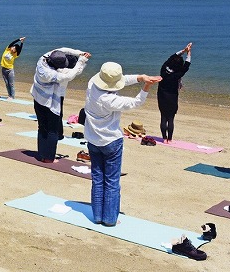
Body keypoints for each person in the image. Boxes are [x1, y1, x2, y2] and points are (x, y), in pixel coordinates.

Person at [84, 62, 161, 226]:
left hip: (92, 139)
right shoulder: (110, 100)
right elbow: (136, 102)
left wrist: (141, 78)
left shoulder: (92, 83)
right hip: (111, 141)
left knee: (98, 179)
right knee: (111, 181)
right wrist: (146, 86)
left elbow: (121, 80)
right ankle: (110, 219)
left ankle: (98, 217)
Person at [31, 48, 90, 162]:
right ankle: (48, 158)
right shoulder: (52, 74)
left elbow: (62, 49)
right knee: (52, 130)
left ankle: (42, 154)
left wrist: (79, 53)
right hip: (50, 103)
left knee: (42, 127)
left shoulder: (43, 59)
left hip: (38, 97)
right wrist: (81, 60)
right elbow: (71, 75)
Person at [157, 42, 193, 143]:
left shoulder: (163, 70)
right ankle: (170, 139)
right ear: (178, 66)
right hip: (172, 98)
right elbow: (186, 65)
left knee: (163, 117)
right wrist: (188, 52)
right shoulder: (177, 75)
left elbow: (172, 57)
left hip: (161, 96)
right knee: (171, 118)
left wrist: (183, 50)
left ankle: (164, 139)